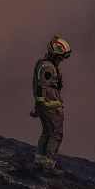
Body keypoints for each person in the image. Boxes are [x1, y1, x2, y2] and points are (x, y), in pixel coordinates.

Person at [31, 35, 71, 174]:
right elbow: (42, 87)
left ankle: (39, 161)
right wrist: (40, 105)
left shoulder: (42, 63)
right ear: (55, 54)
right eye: (60, 57)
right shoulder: (48, 67)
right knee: (56, 135)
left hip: (45, 106)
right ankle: (49, 165)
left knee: (46, 133)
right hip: (51, 107)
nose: (61, 60)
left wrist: (38, 107)